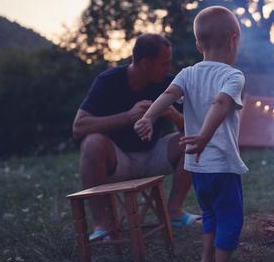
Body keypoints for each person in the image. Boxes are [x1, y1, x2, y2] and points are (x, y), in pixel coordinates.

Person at [134, 6, 255, 262]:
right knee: (229, 218)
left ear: (199, 44)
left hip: (196, 166)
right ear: (233, 40)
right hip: (221, 164)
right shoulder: (233, 76)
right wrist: (203, 136)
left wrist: (147, 117)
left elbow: (167, 95)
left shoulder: (187, 74)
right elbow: (221, 103)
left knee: (210, 213)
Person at [72, 33, 199, 242]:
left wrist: (173, 114)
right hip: (117, 159)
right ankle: (103, 225)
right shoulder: (109, 81)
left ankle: (174, 212)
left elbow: (193, 128)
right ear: (146, 64)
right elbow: (79, 127)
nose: (169, 68)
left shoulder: (168, 84)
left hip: (153, 154)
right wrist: (128, 117)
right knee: (92, 143)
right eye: (164, 64)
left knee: (192, 140)